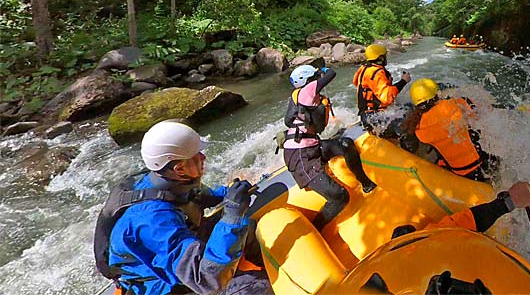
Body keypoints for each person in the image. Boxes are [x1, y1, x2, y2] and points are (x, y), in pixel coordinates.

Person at [94, 120, 268, 295]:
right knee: (254, 288)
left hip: (177, 245)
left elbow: (199, 197)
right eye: (196, 155)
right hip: (163, 286)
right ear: (179, 169)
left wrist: (230, 194)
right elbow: (205, 280)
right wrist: (233, 215)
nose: (203, 157)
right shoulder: (153, 221)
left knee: (249, 228)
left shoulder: (168, 181)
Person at [283, 65, 376, 230]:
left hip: (313, 146)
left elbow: (295, 121)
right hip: (300, 156)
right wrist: (323, 70)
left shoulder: (299, 97)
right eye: (315, 76)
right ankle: (316, 228)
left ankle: (366, 183)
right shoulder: (306, 91)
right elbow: (331, 74)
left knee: (345, 144)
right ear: (309, 79)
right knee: (339, 197)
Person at [400, 78, 499, 182]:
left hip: (460, 172)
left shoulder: (418, 127)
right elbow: (480, 113)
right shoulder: (457, 103)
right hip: (484, 164)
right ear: (437, 93)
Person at [353, 43, 411, 132]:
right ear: (380, 58)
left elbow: (356, 82)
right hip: (373, 118)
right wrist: (403, 81)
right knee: (408, 122)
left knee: (408, 106)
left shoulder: (365, 68)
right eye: (384, 56)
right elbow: (387, 98)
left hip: (367, 114)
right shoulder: (376, 73)